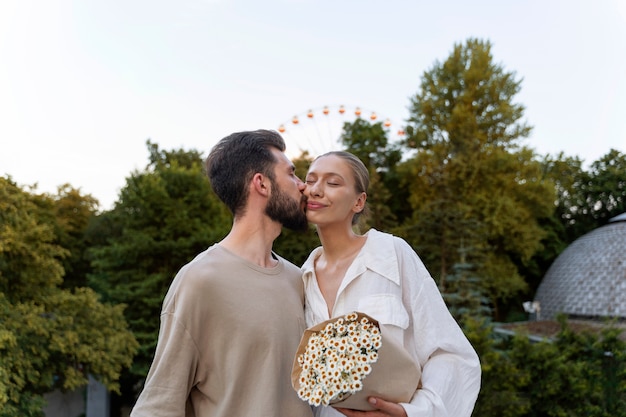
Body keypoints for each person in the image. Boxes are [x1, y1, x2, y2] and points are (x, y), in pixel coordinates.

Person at [131, 130, 314, 417]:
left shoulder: (299, 280)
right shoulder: (200, 280)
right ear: (261, 184)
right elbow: (159, 404)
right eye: (292, 174)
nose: (302, 186)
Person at [301, 151, 481, 417]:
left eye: (333, 182)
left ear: (359, 202)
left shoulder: (392, 254)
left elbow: (451, 354)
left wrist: (413, 412)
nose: (315, 190)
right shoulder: (301, 279)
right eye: (311, 180)